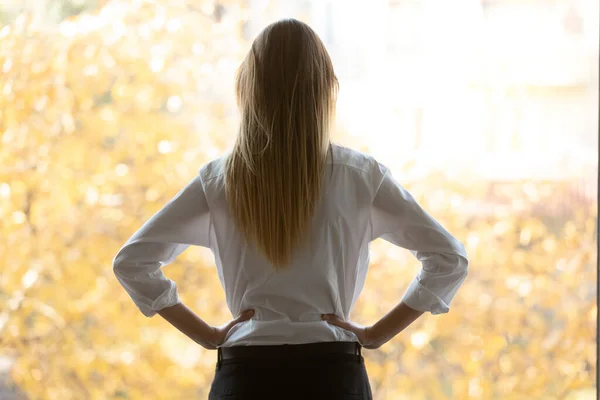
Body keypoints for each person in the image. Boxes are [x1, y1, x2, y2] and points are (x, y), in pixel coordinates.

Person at [112, 18, 469, 400]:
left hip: (245, 377)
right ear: (325, 89)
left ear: (248, 88)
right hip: (333, 375)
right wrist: (377, 334)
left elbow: (133, 262)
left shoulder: (218, 180)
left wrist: (206, 335)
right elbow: (449, 259)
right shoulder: (361, 177)